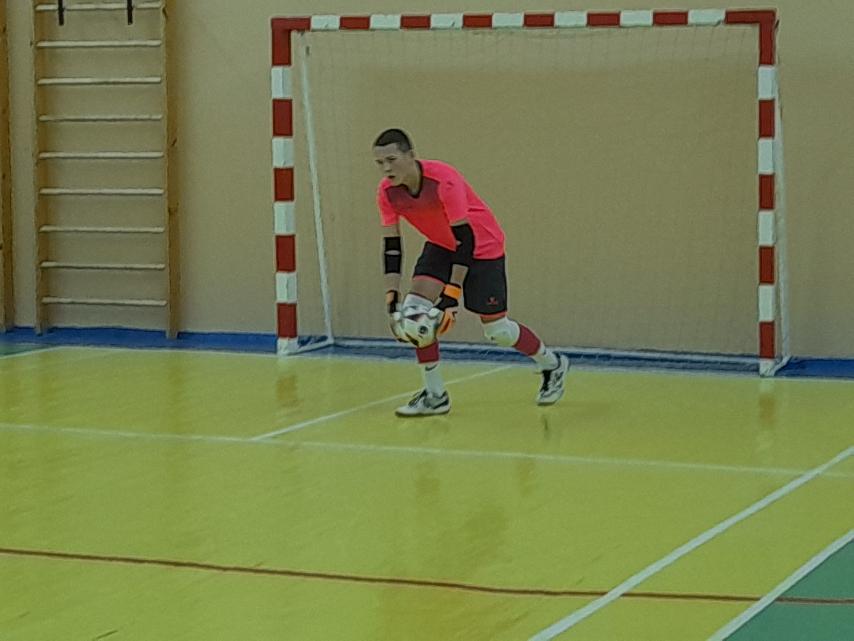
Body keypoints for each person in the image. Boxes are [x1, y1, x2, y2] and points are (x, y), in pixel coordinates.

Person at [375, 128, 569, 416]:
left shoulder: (444, 180)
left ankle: (552, 364)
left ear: (411, 156)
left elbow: (465, 240)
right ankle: (435, 395)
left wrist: (451, 295)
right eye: (380, 163)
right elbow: (392, 247)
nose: (386, 168)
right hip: (441, 245)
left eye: (392, 160)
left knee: (498, 331)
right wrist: (392, 297)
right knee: (416, 312)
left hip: (481, 247)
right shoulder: (387, 193)